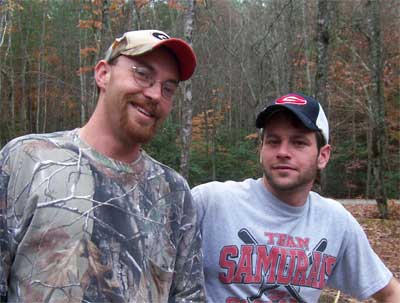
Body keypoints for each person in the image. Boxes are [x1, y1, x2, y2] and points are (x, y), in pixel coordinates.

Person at [0, 29, 205, 302]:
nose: (156, 94)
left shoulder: (174, 193)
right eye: (142, 74)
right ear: (103, 74)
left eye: (168, 88)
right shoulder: (28, 159)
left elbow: (189, 296)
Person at [192, 93, 400, 302]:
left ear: (323, 156)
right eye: (273, 141)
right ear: (261, 150)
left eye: (298, 142)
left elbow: (390, 292)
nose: (283, 152)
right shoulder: (210, 202)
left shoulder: (335, 221)